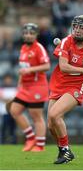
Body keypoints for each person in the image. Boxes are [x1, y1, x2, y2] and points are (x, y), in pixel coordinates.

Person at [48, 15, 83, 164]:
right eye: (76, 26)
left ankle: (66, 151)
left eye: (82, 27)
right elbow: (64, 67)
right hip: (58, 83)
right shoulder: (66, 41)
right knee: (51, 125)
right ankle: (63, 151)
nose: (77, 30)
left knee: (54, 114)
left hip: (76, 86)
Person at [9, 23, 50, 152]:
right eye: (26, 33)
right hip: (25, 86)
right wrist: (19, 84)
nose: (28, 35)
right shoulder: (23, 48)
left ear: (36, 35)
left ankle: (40, 145)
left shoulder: (39, 48)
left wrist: (30, 70)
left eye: (31, 33)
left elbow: (47, 66)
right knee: (14, 110)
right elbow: (23, 69)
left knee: (36, 116)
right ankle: (31, 138)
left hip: (37, 86)